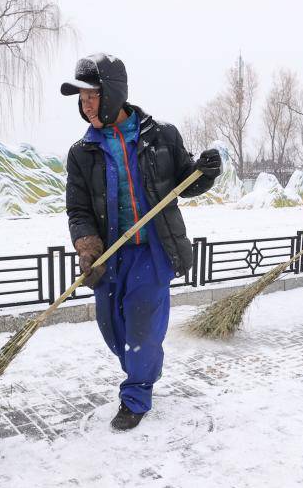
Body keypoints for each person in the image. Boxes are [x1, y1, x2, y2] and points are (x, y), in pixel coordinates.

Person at [63, 53, 221, 431]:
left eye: (92, 96)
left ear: (114, 93)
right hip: (109, 256)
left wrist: (206, 172)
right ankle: (142, 365)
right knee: (114, 329)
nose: (86, 106)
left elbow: (187, 181)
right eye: (81, 99)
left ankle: (136, 393)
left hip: (152, 251)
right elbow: (78, 208)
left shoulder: (161, 136)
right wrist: (88, 247)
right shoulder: (81, 152)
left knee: (142, 329)